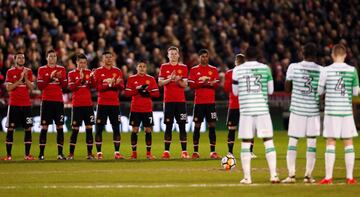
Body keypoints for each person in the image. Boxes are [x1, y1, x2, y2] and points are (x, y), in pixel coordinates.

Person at [232, 46, 279, 184]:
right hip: (262, 110)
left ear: (245, 56)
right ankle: (273, 175)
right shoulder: (266, 69)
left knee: (246, 143)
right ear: (258, 55)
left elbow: (235, 92)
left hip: (246, 111)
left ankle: (247, 178)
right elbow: (270, 91)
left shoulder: (237, 70)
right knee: (268, 141)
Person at [317, 44, 358, 185]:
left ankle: (328, 177)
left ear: (333, 55)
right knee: (348, 143)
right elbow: (355, 92)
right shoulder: (352, 70)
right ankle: (350, 177)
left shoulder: (325, 70)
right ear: (345, 55)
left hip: (331, 111)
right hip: (346, 112)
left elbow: (319, 91)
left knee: (331, 142)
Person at [281, 43, 322, 184]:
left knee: (293, 141)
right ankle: (308, 176)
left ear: (302, 53)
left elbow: (287, 89)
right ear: (315, 55)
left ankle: (291, 176)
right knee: (312, 143)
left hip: (297, 110)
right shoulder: (322, 70)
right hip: (313, 111)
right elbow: (322, 93)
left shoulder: (293, 67)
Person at [188, 49, 220, 159]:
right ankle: (195, 151)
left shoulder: (214, 70)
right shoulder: (194, 70)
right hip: (199, 103)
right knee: (197, 126)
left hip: (210, 103)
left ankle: (213, 152)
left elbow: (216, 85)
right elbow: (191, 85)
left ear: (208, 57)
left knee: (212, 126)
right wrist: (204, 83)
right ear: (199, 57)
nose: (204, 58)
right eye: (202, 56)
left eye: (206, 56)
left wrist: (209, 83)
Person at [158, 46, 189, 159]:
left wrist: (178, 80)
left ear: (178, 55)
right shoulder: (164, 67)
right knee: (168, 126)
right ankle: (166, 151)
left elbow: (184, 85)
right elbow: (160, 83)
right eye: (171, 54)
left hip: (180, 102)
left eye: (175, 54)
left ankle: (184, 152)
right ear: (168, 55)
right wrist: (170, 79)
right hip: (168, 101)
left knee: (182, 126)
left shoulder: (183, 67)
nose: (173, 56)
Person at [124, 60, 160, 160]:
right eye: (140, 66)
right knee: (134, 130)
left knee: (148, 130)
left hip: (147, 109)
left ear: (146, 68)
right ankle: (134, 154)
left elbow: (157, 94)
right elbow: (126, 93)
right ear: (136, 68)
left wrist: (146, 92)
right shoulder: (131, 79)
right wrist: (138, 89)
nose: (142, 68)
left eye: (144, 66)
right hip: (135, 109)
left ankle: (149, 153)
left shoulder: (151, 79)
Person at [37, 49, 68, 160]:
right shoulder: (42, 69)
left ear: (56, 58)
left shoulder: (61, 69)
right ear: (47, 58)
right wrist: (50, 77)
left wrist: (59, 78)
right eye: (50, 56)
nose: (52, 58)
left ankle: (60, 154)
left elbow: (65, 85)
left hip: (58, 102)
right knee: (44, 126)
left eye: (54, 56)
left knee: (60, 126)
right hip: (46, 101)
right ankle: (41, 154)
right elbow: (40, 86)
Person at [3, 51, 34, 160]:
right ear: (15, 59)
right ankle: (9, 155)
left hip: (26, 104)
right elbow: (8, 88)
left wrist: (25, 78)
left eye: (23, 58)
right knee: (10, 128)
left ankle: (27, 155)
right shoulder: (10, 72)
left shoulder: (29, 71)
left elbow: (32, 87)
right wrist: (19, 80)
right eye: (19, 58)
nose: (21, 59)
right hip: (14, 104)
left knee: (28, 128)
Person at [93, 51, 124, 160]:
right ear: (103, 59)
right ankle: (99, 153)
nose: (109, 59)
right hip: (102, 104)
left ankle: (117, 152)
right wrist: (110, 84)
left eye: (110, 57)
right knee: (99, 129)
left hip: (114, 104)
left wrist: (112, 84)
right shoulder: (98, 71)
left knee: (116, 128)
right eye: (106, 57)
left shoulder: (117, 71)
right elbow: (97, 88)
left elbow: (121, 86)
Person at [224, 53, 256, 158]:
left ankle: (249, 151)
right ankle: (230, 152)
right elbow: (226, 88)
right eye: (239, 62)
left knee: (249, 129)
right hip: (234, 105)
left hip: (246, 105)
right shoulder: (229, 73)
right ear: (235, 62)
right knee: (232, 128)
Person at [67, 54, 95, 160]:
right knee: (75, 129)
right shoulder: (71, 74)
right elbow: (71, 87)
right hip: (77, 105)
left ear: (86, 63)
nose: (82, 64)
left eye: (84, 63)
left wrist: (93, 78)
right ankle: (71, 154)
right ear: (77, 63)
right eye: (80, 62)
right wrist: (81, 79)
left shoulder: (89, 73)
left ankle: (89, 154)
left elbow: (94, 86)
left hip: (88, 105)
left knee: (89, 128)